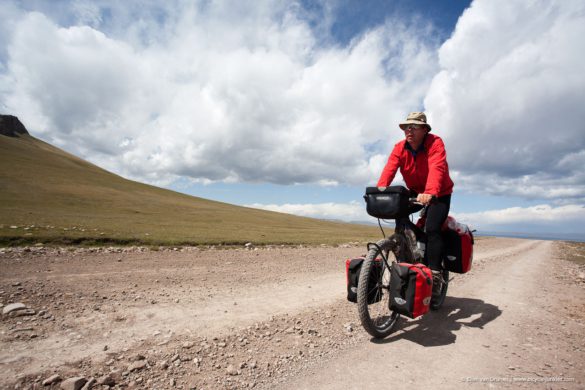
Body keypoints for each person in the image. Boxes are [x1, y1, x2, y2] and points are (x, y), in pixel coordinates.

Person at [377, 111, 454, 298]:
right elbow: (390, 167)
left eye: (413, 127)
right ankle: (406, 254)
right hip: (415, 190)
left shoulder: (435, 143)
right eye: (405, 127)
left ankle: (435, 274)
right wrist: (380, 188)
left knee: (433, 228)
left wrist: (430, 192)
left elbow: (437, 167)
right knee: (398, 212)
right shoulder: (400, 147)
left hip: (439, 193)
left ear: (424, 129)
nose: (408, 130)